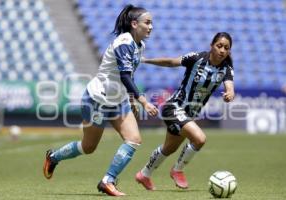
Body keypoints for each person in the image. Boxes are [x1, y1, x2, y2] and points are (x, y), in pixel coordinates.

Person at [43, 4, 158, 196]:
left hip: (118, 101)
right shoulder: (123, 42)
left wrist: (130, 99)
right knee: (88, 147)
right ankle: (53, 157)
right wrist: (143, 101)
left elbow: (130, 74)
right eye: (148, 22)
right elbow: (124, 76)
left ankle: (107, 181)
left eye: (152, 23)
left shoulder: (140, 45)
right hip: (97, 99)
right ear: (134, 24)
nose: (151, 27)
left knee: (134, 139)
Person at [135, 32, 235, 190]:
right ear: (212, 46)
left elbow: (230, 86)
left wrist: (230, 94)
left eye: (226, 48)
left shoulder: (226, 69)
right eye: (219, 46)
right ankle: (177, 170)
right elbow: (171, 62)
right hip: (174, 107)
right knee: (199, 139)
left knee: (169, 148)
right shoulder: (197, 58)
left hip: (189, 114)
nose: (222, 50)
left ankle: (144, 174)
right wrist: (146, 60)